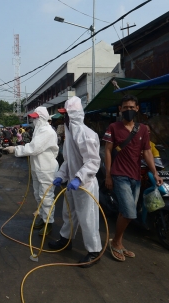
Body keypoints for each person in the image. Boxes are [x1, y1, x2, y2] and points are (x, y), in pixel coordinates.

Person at [103, 94, 163, 262]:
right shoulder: (113, 127)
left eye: (131, 107)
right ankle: (115, 242)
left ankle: (119, 243)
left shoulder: (143, 129)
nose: (128, 110)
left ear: (137, 109)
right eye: (125, 107)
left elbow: (147, 152)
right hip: (119, 174)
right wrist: (108, 174)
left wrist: (155, 173)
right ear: (120, 109)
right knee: (129, 213)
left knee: (125, 211)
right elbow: (107, 150)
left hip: (135, 176)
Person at [49, 96, 102, 268]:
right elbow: (68, 161)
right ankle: (65, 240)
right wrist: (61, 175)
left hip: (85, 185)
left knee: (88, 219)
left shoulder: (86, 135)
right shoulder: (70, 135)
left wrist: (79, 178)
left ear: (74, 115)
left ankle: (94, 251)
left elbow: (93, 162)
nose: (64, 118)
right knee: (69, 214)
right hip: (73, 183)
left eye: (66, 114)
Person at [14, 107, 59, 236]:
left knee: (46, 197)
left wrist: (16, 150)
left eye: (36, 117)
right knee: (38, 195)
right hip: (37, 167)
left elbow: (34, 148)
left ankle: (49, 223)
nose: (34, 120)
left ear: (42, 118)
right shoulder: (38, 131)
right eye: (33, 118)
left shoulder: (47, 132)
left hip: (46, 168)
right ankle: (43, 218)